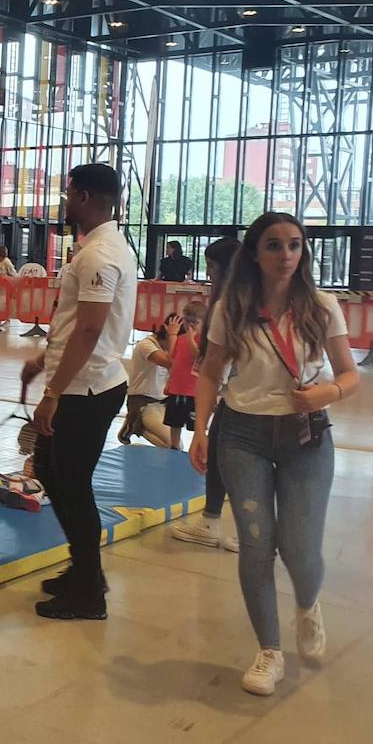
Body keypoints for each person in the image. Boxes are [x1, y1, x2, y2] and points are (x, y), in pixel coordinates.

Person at [191, 212, 358, 696]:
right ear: (255, 253)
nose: (286, 255)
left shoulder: (322, 307)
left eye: (294, 245)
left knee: (300, 549)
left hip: (306, 436)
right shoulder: (232, 308)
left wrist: (327, 393)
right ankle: (269, 650)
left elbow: (350, 374)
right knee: (256, 544)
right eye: (274, 245)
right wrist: (200, 430)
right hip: (242, 435)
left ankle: (308, 605)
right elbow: (209, 373)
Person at [19, 164, 136, 620]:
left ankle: (89, 588)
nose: (64, 201)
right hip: (85, 382)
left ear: (85, 196)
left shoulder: (99, 255)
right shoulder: (101, 248)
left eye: (68, 193)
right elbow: (77, 327)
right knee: (56, 474)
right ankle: (84, 571)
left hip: (86, 391)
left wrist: (53, 391)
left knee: (71, 485)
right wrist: (44, 360)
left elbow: (89, 330)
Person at [172, 235, 242, 551]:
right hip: (232, 395)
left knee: (243, 463)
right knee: (217, 453)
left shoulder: (231, 305)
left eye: (212, 267)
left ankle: (252, 529)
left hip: (247, 397)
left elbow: (213, 364)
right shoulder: (229, 302)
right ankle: (212, 522)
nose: (208, 273)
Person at [119, 312, 176, 446]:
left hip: (162, 403)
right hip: (143, 402)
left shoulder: (171, 349)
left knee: (174, 445)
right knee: (173, 445)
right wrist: (173, 335)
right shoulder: (146, 345)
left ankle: (134, 425)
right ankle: (134, 423)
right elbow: (169, 362)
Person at [162, 300, 208, 450]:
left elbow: (199, 357)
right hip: (177, 388)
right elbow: (172, 358)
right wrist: (172, 335)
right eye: (187, 321)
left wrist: (190, 339)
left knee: (195, 424)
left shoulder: (203, 341)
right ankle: (174, 446)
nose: (190, 325)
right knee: (174, 422)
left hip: (194, 391)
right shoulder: (181, 339)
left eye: (195, 322)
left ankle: (197, 448)